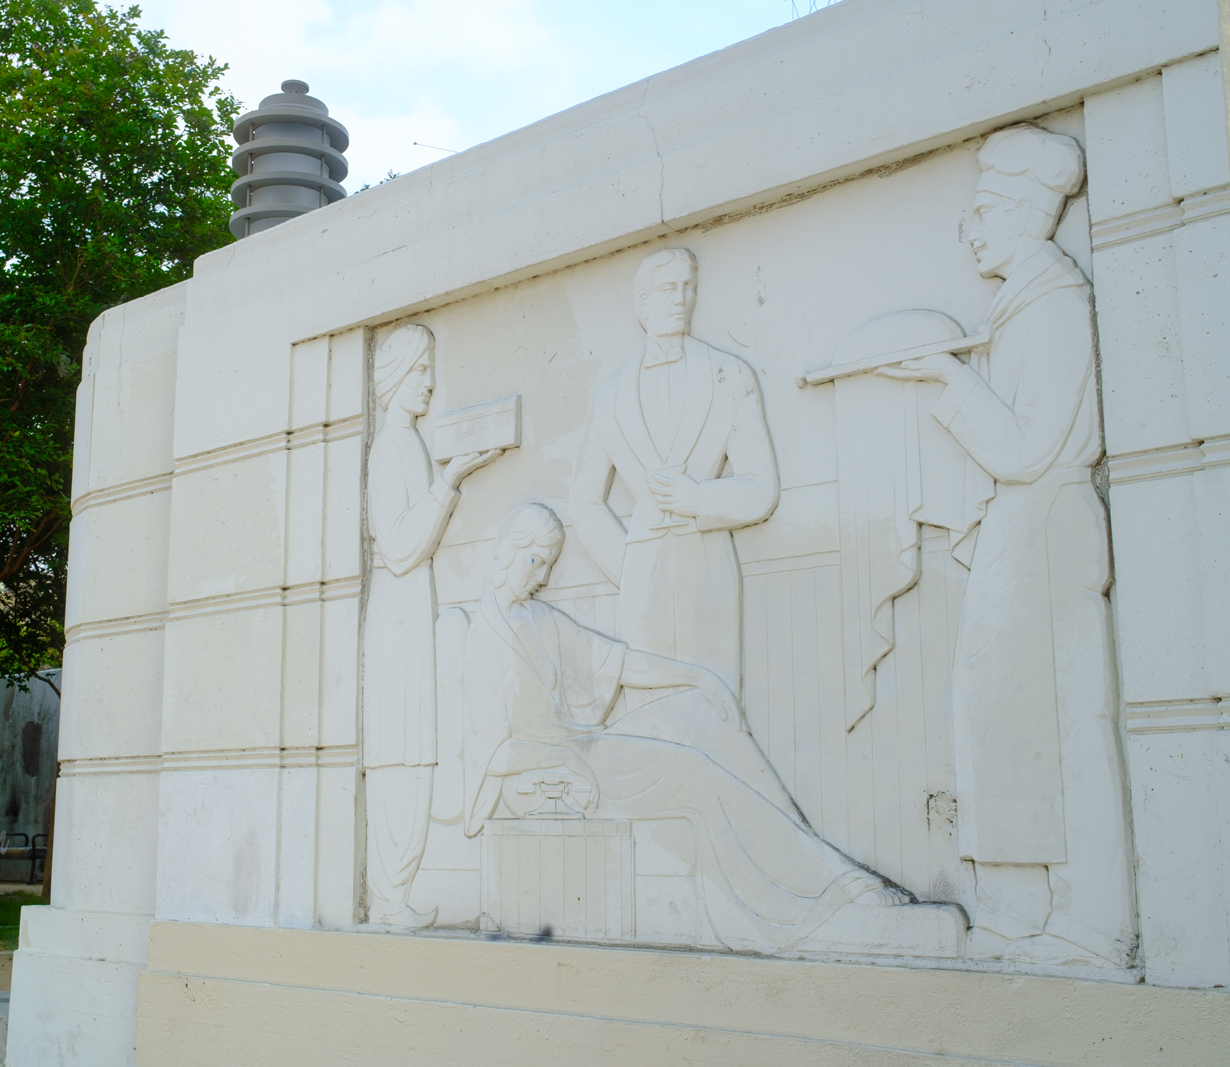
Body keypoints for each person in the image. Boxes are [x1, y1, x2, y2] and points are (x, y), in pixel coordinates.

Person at [872, 124, 1133, 967]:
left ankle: (1091, 921)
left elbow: (1027, 449)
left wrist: (949, 379)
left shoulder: (1054, 300)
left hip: (1046, 531)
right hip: (1019, 538)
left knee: (1062, 724)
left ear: (1026, 213)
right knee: (1001, 720)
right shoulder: (1022, 301)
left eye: (983, 212)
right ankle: (1022, 912)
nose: (970, 230)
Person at [461, 503, 907, 953]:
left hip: (583, 751)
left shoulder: (539, 620)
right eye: (536, 563)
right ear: (505, 553)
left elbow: (618, 662)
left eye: (549, 565)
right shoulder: (485, 639)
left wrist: (697, 677)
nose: (543, 578)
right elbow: (496, 753)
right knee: (692, 769)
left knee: (703, 712)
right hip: (542, 776)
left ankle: (824, 867)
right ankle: (807, 905)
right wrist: (566, 759)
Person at [569, 248, 778, 701]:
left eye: (689, 287)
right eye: (668, 289)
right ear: (641, 304)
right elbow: (584, 501)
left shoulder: (729, 374)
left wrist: (699, 498)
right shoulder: (610, 397)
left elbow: (762, 488)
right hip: (642, 572)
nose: (681, 299)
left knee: (716, 703)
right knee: (650, 708)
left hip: (708, 565)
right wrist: (631, 568)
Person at [363, 323, 499, 927]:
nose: (430, 381)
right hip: (396, 618)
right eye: (420, 371)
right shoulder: (390, 448)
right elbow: (397, 548)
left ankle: (397, 890)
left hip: (412, 612)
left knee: (416, 750)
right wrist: (450, 481)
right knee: (400, 751)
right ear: (394, 378)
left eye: (430, 369)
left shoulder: (409, 444)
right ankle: (390, 894)